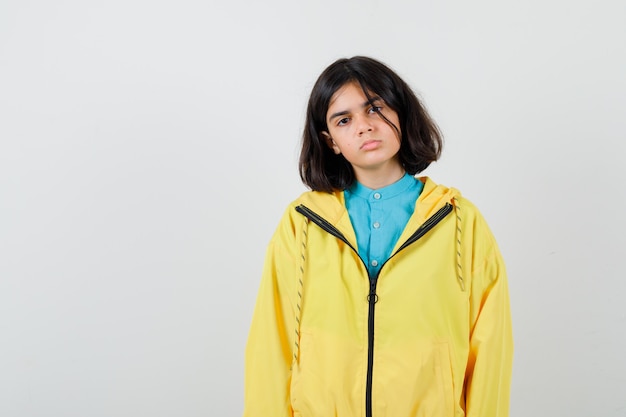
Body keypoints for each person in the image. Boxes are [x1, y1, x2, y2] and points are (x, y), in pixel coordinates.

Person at [243, 56, 513, 417]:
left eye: (375, 109)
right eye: (344, 120)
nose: (364, 127)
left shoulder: (460, 221)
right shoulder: (301, 225)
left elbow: (490, 348)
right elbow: (270, 348)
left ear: (401, 113)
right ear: (331, 141)